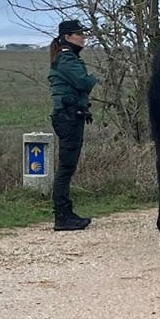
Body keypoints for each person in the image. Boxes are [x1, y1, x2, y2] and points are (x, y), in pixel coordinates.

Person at [48, 18, 96, 231]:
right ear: (67, 37)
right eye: (79, 33)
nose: (83, 37)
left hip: (71, 115)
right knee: (66, 166)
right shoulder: (67, 59)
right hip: (68, 116)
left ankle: (66, 213)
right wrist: (92, 79)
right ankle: (62, 215)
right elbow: (83, 82)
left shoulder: (67, 57)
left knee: (68, 165)